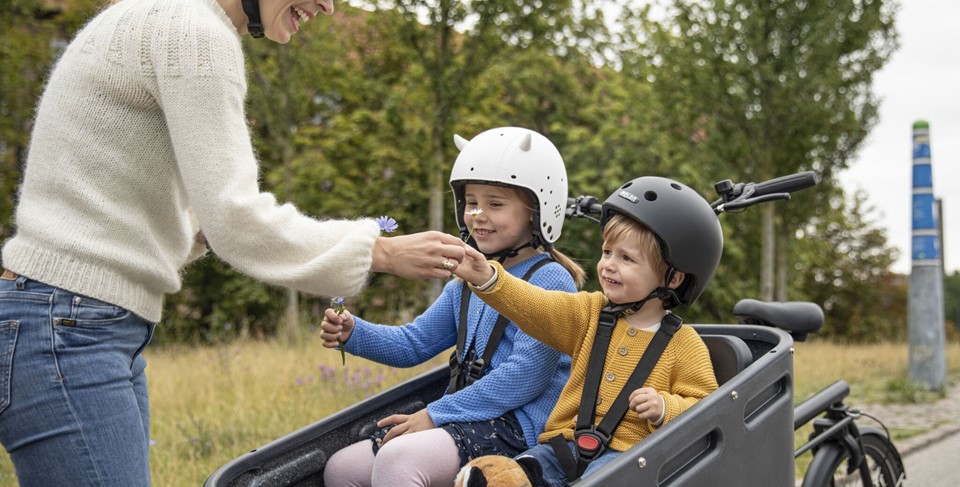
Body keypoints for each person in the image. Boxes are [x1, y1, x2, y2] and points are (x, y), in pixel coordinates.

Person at [0, 0, 467, 485]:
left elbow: (139, 215)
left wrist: (203, 230)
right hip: (71, 329)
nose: (327, 5)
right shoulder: (195, 32)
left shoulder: (155, 16)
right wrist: (381, 250)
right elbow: (234, 218)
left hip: (68, 320)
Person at [320, 127, 586, 486]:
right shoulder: (465, 281)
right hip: (465, 413)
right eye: (471, 202)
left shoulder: (551, 280)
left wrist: (435, 414)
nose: (478, 215)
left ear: (537, 211)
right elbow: (414, 343)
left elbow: (526, 376)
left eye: (495, 204)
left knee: (399, 461)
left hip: (520, 427)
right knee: (342, 468)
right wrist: (355, 333)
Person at [453, 176, 723, 486]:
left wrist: (665, 407)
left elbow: (706, 408)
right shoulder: (590, 313)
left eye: (626, 258)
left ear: (674, 278)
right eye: (607, 253)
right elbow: (535, 306)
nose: (608, 265)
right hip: (560, 448)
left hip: (628, 458)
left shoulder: (684, 344)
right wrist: (488, 277)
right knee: (507, 474)